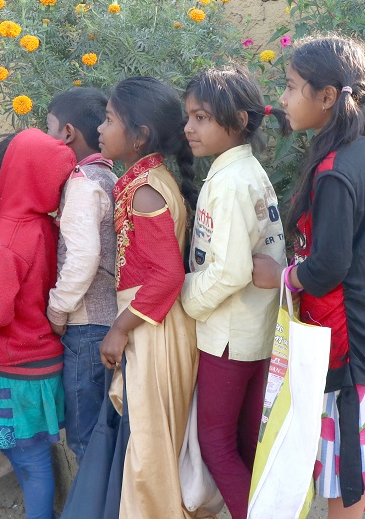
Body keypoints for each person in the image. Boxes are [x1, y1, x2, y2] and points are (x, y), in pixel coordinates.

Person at [252, 35, 365, 518]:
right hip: (354, 332)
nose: (284, 99)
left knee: (346, 474)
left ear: (328, 97)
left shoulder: (335, 169)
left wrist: (282, 277)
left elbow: (329, 265)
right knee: (341, 471)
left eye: (293, 88)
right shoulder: (349, 150)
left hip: (347, 341)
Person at [180, 65, 289, 518]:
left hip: (228, 335)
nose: (189, 128)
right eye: (189, 116)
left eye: (202, 117)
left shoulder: (228, 184)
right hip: (254, 331)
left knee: (216, 445)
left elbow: (228, 273)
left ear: (240, 121)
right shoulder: (247, 172)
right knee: (243, 445)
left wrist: (184, 300)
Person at [97, 76, 200, 518]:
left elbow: (166, 274)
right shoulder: (147, 180)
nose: (100, 128)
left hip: (152, 327)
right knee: (151, 446)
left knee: (151, 451)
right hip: (153, 320)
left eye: (108, 119)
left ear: (139, 136)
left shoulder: (145, 191)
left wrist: (119, 330)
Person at [0, 129, 76, 519]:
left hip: (18, 369)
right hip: (45, 359)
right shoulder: (45, 227)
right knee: (35, 455)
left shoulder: (3, 240)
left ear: (7, 174)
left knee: (29, 461)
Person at [43, 88, 118, 462]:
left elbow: (83, 256)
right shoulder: (108, 176)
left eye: (49, 129)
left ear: (68, 133)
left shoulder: (82, 182)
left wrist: (58, 310)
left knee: (85, 438)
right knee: (106, 432)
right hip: (110, 323)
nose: (46, 137)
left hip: (86, 326)